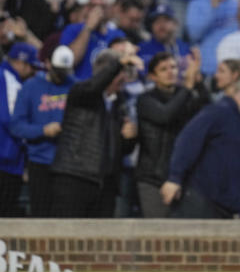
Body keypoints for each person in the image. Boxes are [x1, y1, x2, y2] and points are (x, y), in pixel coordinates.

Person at [49, 48, 143, 217]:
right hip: (75, 178)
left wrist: (130, 138)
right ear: (105, 73)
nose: (124, 78)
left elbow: (120, 150)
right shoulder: (80, 93)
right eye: (120, 72)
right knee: (69, 237)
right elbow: (94, 86)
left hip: (105, 184)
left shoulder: (118, 104)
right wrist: (119, 62)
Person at [160, 73, 240, 218]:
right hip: (201, 202)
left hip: (223, 207)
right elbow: (187, 140)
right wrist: (175, 178)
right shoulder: (219, 111)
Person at [136, 52, 208, 218]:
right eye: (163, 69)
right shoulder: (146, 100)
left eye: (173, 67)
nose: (170, 72)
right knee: (158, 233)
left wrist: (199, 82)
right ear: (152, 76)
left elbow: (208, 111)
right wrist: (188, 88)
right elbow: (164, 115)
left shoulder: (185, 96)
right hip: (153, 178)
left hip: (183, 177)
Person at [9, 45, 75, 217]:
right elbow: (16, 125)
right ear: (47, 63)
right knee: (41, 215)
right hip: (40, 161)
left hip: (69, 163)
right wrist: (42, 130)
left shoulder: (75, 86)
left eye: (64, 71)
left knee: (67, 216)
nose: (61, 75)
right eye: (58, 70)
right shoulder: (31, 87)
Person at [0, 42, 39, 216]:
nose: (32, 72)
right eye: (31, 66)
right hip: (5, 159)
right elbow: (12, 121)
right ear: (21, 63)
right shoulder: (7, 79)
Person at [60, 0, 125, 80]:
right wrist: (88, 28)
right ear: (87, 8)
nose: (97, 10)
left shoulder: (118, 35)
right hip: (79, 86)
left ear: (110, 9)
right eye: (93, 6)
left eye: (102, 6)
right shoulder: (73, 29)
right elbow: (71, 61)